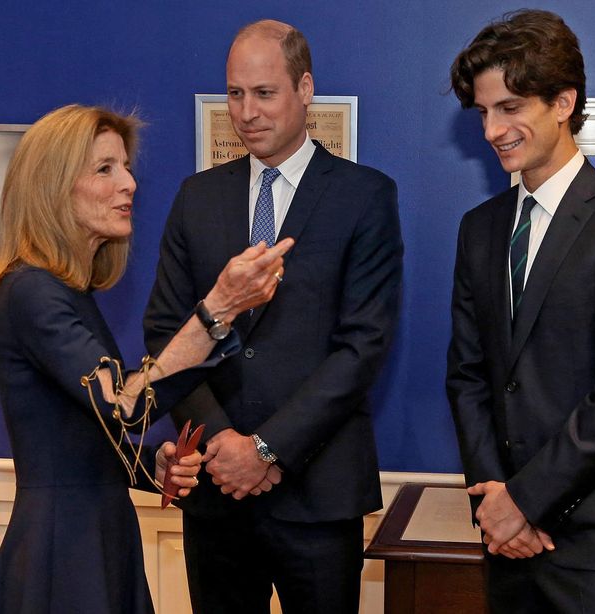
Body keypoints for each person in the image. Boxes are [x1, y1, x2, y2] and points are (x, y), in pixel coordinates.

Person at [0, 104, 292, 614]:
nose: (129, 184)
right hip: (66, 550)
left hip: (95, 534)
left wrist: (151, 465)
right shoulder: (33, 291)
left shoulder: (64, 292)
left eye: (125, 167)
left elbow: (88, 436)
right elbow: (125, 408)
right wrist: (217, 310)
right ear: (53, 188)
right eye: (105, 169)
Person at [143, 19, 402, 614]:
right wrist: (224, 442)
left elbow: (363, 346)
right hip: (215, 490)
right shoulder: (196, 197)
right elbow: (165, 332)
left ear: (305, 89)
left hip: (318, 491)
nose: (247, 112)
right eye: (236, 94)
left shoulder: (364, 195)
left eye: (264, 93)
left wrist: (266, 449)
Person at [447, 9, 595, 613]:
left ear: (563, 102)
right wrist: (496, 502)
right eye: (484, 112)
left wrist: (523, 501)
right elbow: (468, 377)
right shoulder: (480, 229)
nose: (494, 129)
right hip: (506, 531)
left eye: (511, 107)